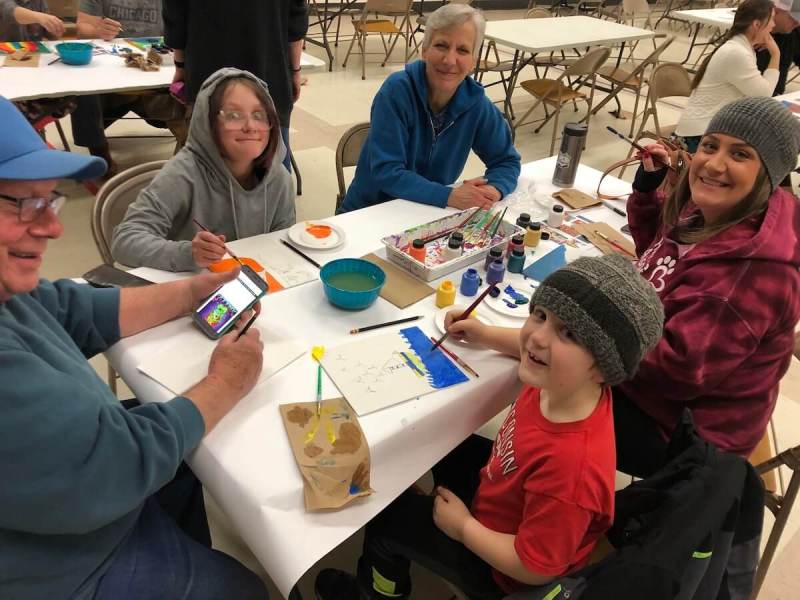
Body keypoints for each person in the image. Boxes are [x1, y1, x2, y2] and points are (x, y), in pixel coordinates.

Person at [0, 96, 269, 598]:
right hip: (66, 568)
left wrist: (191, 292)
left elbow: (67, 308)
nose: (55, 227)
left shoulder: (8, 290)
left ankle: (180, 545)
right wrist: (225, 382)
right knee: (244, 589)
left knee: (186, 464)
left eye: (48, 200)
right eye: (24, 203)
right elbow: (120, 461)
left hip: (76, 488)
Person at [314, 255, 664, 600]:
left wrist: (464, 529)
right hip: (501, 489)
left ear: (603, 368)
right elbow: (526, 344)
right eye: (540, 315)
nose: (537, 339)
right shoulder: (564, 380)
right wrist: (483, 334)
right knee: (440, 442)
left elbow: (536, 567)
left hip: (502, 570)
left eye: (567, 333)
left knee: (388, 520)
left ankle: (375, 590)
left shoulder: (572, 472)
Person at [616, 96, 800, 478]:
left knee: (551, 380)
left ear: (768, 174)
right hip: (664, 393)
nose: (715, 164)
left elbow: (676, 371)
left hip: (687, 438)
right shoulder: (721, 210)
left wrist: (597, 327)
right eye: (710, 145)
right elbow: (663, 255)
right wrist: (648, 192)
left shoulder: (749, 274)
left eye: (740, 154)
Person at [337, 4, 521, 214]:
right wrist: (449, 196)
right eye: (441, 45)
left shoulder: (477, 105)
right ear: (424, 50)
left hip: (429, 213)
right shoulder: (396, 91)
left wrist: (493, 189)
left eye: (462, 50)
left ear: (473, 62)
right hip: (370, 212)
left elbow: (507, 160)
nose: (450, 60)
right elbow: (387, 171)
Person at [111, 68, 295, 271]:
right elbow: (125, 240)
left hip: (249, 289)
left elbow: (282, 245)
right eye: (233, 115)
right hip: (190, 290)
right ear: (207, 123)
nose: (250, 125)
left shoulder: (280, 178)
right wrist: (189, 253)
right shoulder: (183, 174)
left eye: (259, 115)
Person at [163, 0, 308, 170]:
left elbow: (176, 17)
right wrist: (294, 70)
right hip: (270, 76)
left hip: (209, 77)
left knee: (209, 175)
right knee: (272, 172)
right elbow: (295, 20)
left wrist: (180, 66)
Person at [71, 0, 186, 176]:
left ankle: (188, 148)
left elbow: (182, 27)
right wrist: (97, 31)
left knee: (190, 82)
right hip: (108, 77)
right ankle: (99, 151)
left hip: (157, 72)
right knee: (81, 84)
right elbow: (82, 27)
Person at [674, 0, 779, 153]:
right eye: (772, 19)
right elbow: (764, 94)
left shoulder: (739, 47)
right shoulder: (737, 53)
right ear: (757, 24)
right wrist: (776, 55)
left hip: (707, 129)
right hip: (700, 135)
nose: (773, 25)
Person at [755, 0, 800, 96]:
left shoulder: (794, 32)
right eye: (792, 18)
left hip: (777, 99)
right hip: (746, 103)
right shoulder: (751, 36)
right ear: (775, 11)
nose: (797, 23)